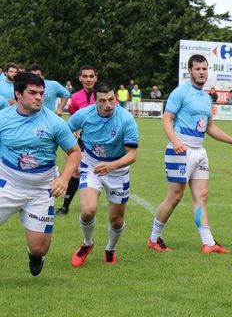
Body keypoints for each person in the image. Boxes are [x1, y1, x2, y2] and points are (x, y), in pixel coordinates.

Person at [147, 54, 232, 253]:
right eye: (198, 69)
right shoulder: (181, 92)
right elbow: (167, 119)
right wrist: (175, 141)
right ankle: (154, 238)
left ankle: (208, 243)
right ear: (190, 71)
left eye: (204, 69)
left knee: (202, 196)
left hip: (199, 151)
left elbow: (209, 126)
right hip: (180, 150)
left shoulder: (205, 97)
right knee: (175, 196)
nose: (202, 72)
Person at [0, 72, 81, 276]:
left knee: (39, 248)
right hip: (8, 184)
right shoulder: (3, 119)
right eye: (33, 93)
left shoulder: (54, 122)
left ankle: (35, 256)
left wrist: (63, 178)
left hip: (42, 189)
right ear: (18, 94)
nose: (39, 97)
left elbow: (74, 152)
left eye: (42, 93)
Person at [67, 81, 139, 266]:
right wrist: (75, 158)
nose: (108, 105)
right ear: (95, 101)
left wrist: (112, 166)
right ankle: (87, 244)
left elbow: (132, 154)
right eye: (102, 101)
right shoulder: (83, 115)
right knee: (88, 210)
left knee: (116, 220)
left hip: (118, 170)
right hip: (91, 165)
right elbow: (65, 134)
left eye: (111, 99)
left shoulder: (126, 118)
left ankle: (110, 249)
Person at [56, 65, 99, 216]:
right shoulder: (75, 97)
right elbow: (73, 119)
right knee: (75, 171)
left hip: (102, 142)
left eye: (91, 76)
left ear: (96, 77)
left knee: (105, 170)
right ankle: (65, 206)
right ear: (80, 78)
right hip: (83, 140)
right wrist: (74, 132)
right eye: (85, 76)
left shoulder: (103, 94)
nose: (88, 79)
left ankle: (115, 200)